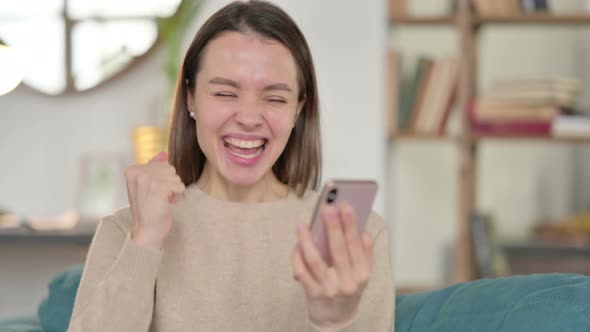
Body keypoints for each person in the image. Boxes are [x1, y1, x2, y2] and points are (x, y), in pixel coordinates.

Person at [67, 1, 394, 331]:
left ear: (298, 109)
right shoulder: (127, 230)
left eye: (275, 98)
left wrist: (332, 321)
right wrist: (146, 240)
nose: (249, 118)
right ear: (190, 97)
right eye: (225, 93)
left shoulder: (354, 239)